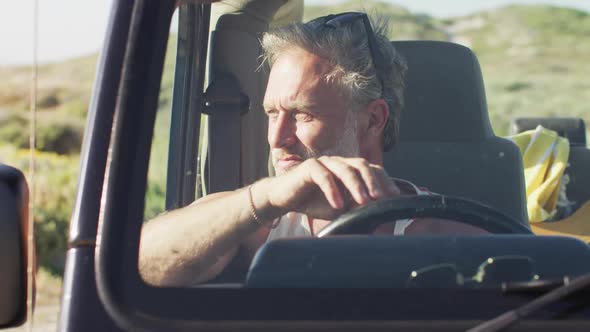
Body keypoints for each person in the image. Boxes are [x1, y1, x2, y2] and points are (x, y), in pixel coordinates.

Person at [139, 12, 486, 287]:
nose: (277, 138)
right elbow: (137, 264)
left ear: (373, 119)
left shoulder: (442, 235)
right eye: (272, 114)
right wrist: (266, 199)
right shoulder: (256, 223)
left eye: (303, 114)